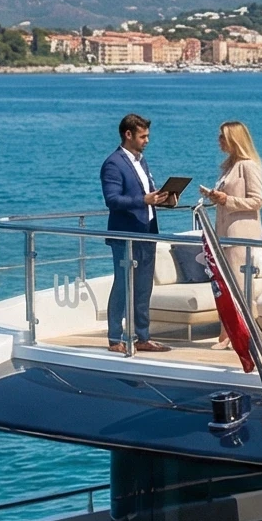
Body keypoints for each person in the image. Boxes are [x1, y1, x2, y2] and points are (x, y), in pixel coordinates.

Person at [100, 113, 178, 354]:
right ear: (128, 134)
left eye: (148, 136)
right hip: (126, 234)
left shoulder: (141, 162)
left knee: (144, 286)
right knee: (123, 285)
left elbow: (148, 193)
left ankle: (142, 336)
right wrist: (144, 199)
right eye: (143, 136)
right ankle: (115, 337)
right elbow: (112, 200)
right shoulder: (113, 163)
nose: (147, 140)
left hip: (147, 232)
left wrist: (164, 199)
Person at [201, 120, 262, 277]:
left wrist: (226, 200)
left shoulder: (248, 166)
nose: (219, 140)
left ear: (234, 139)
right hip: (224, 233)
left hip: (241, 235)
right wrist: (215, 196)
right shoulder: (229, 166)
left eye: (223, 137)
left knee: (240, 282)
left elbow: (257, 200)